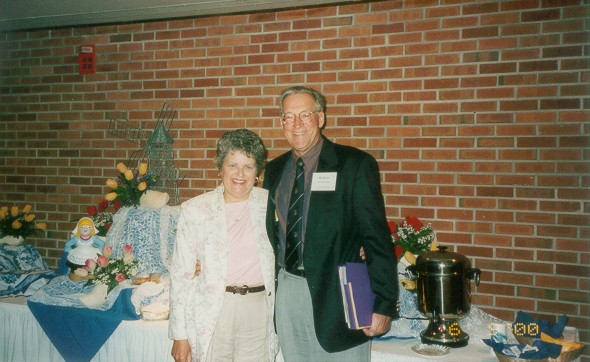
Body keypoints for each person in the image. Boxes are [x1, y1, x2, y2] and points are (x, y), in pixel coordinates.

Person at [262, 86, 398, 361]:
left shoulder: (354, 165)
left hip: (340, 296)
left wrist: (383, 304)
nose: (297, 124)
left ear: (321, 118)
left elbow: (376, 237)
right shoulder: (275, 170)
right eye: (289, 117)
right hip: (288, 293)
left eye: (305, 115)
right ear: (281, 123)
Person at [169, 129, 279, 362]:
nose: (240, 174)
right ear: (220, 168)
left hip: (258, 310)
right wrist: (179, 335)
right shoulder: (196, 210)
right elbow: (181, 275)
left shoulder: (270, 204)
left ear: (258, 172)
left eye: (248, 166)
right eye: (232, 165)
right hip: (214, 310)